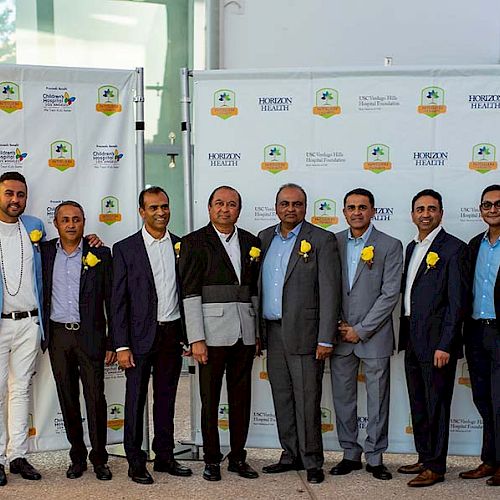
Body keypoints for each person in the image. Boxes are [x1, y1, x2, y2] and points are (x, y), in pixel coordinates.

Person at [259, 183, 341, 484]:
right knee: (281, 397)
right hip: (273, 331)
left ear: (305, 208)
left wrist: (325, 337)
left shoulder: (321, 239)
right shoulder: (265, 238)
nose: (290, 209)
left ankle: (312, 459)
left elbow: (330, 292)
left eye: (297, 204)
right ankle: (289, 454)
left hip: (307, 334)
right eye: (284, 203)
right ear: (276, 206)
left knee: (307, 399)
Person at [178, 186, 260, 482]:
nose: (226, 209)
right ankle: (212, 460)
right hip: (210, 337)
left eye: (232, 204)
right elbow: (188, 293)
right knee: (209, 400)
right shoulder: (194, 242)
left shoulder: (252, 242)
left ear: (239, 209)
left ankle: (238, 457)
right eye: (220, 204)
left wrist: (257, 332)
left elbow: (254, 292)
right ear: (210, 208)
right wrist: (196, 338)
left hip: (244, 335)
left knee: (241, 400)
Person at [111, 186, 191, 485]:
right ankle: (135, 460)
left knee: (167, 399)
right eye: (154, 207)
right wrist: (121, 345)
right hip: (138, 338)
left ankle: (165, 457)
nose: (161, 212)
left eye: (165, 206)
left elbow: (186, 295)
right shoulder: (125, 248)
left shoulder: (182, 246)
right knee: (135, 400)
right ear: (142, 212)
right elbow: (117, 301)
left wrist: (187, 335)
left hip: (171, 335)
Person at [330, 188, 402, 481]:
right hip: (339, 336)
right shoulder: (331, 243)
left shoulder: (390, 245)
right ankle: (349, 453)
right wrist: (339, 325)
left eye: (362, 207)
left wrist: (360, 330)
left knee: (378, 400)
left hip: (374, 336)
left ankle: (375, 456)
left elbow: (390, 293)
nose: (356, 212)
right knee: (343, 399)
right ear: (344, 212)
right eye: (351, 207)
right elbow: (326, 288)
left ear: (373, 211)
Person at [40, 201, 115, 481]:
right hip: (59, 335)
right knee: (68, 397)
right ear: (56, 224)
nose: (71, 224)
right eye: (65, 220)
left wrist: (112, 342)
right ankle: (77, 456)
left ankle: (99, 459)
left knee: (96, 398)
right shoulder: (44, 253)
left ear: (84, 222)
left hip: (91, 335)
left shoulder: (101, 253)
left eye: (76, 219)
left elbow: (113, 301)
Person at [398, 189, 468, 487]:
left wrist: (446, 344)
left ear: (441, 212)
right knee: (419, 401)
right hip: (412, 337)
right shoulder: (412, 247)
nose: (425, 214)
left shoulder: (453, 248)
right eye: (420, 209)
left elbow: (457, 303)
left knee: (437, 403)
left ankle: (437, 467)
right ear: (412, 214)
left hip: (437, 342)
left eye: (431, 209)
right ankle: (425, 456)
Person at [0, 171, 44, 486]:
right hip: (1, 324)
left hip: (30, 323)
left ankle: (18, 455)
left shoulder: (34, 227)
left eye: (20, 194)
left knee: (20, 390)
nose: (15, 200)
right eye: (9, 194)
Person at [459, 184, 500, 486]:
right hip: (476, 331)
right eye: (487, 204)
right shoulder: (474, 244)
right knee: (483, 399)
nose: (493, 209)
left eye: (498, 204)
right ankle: (490, 460)